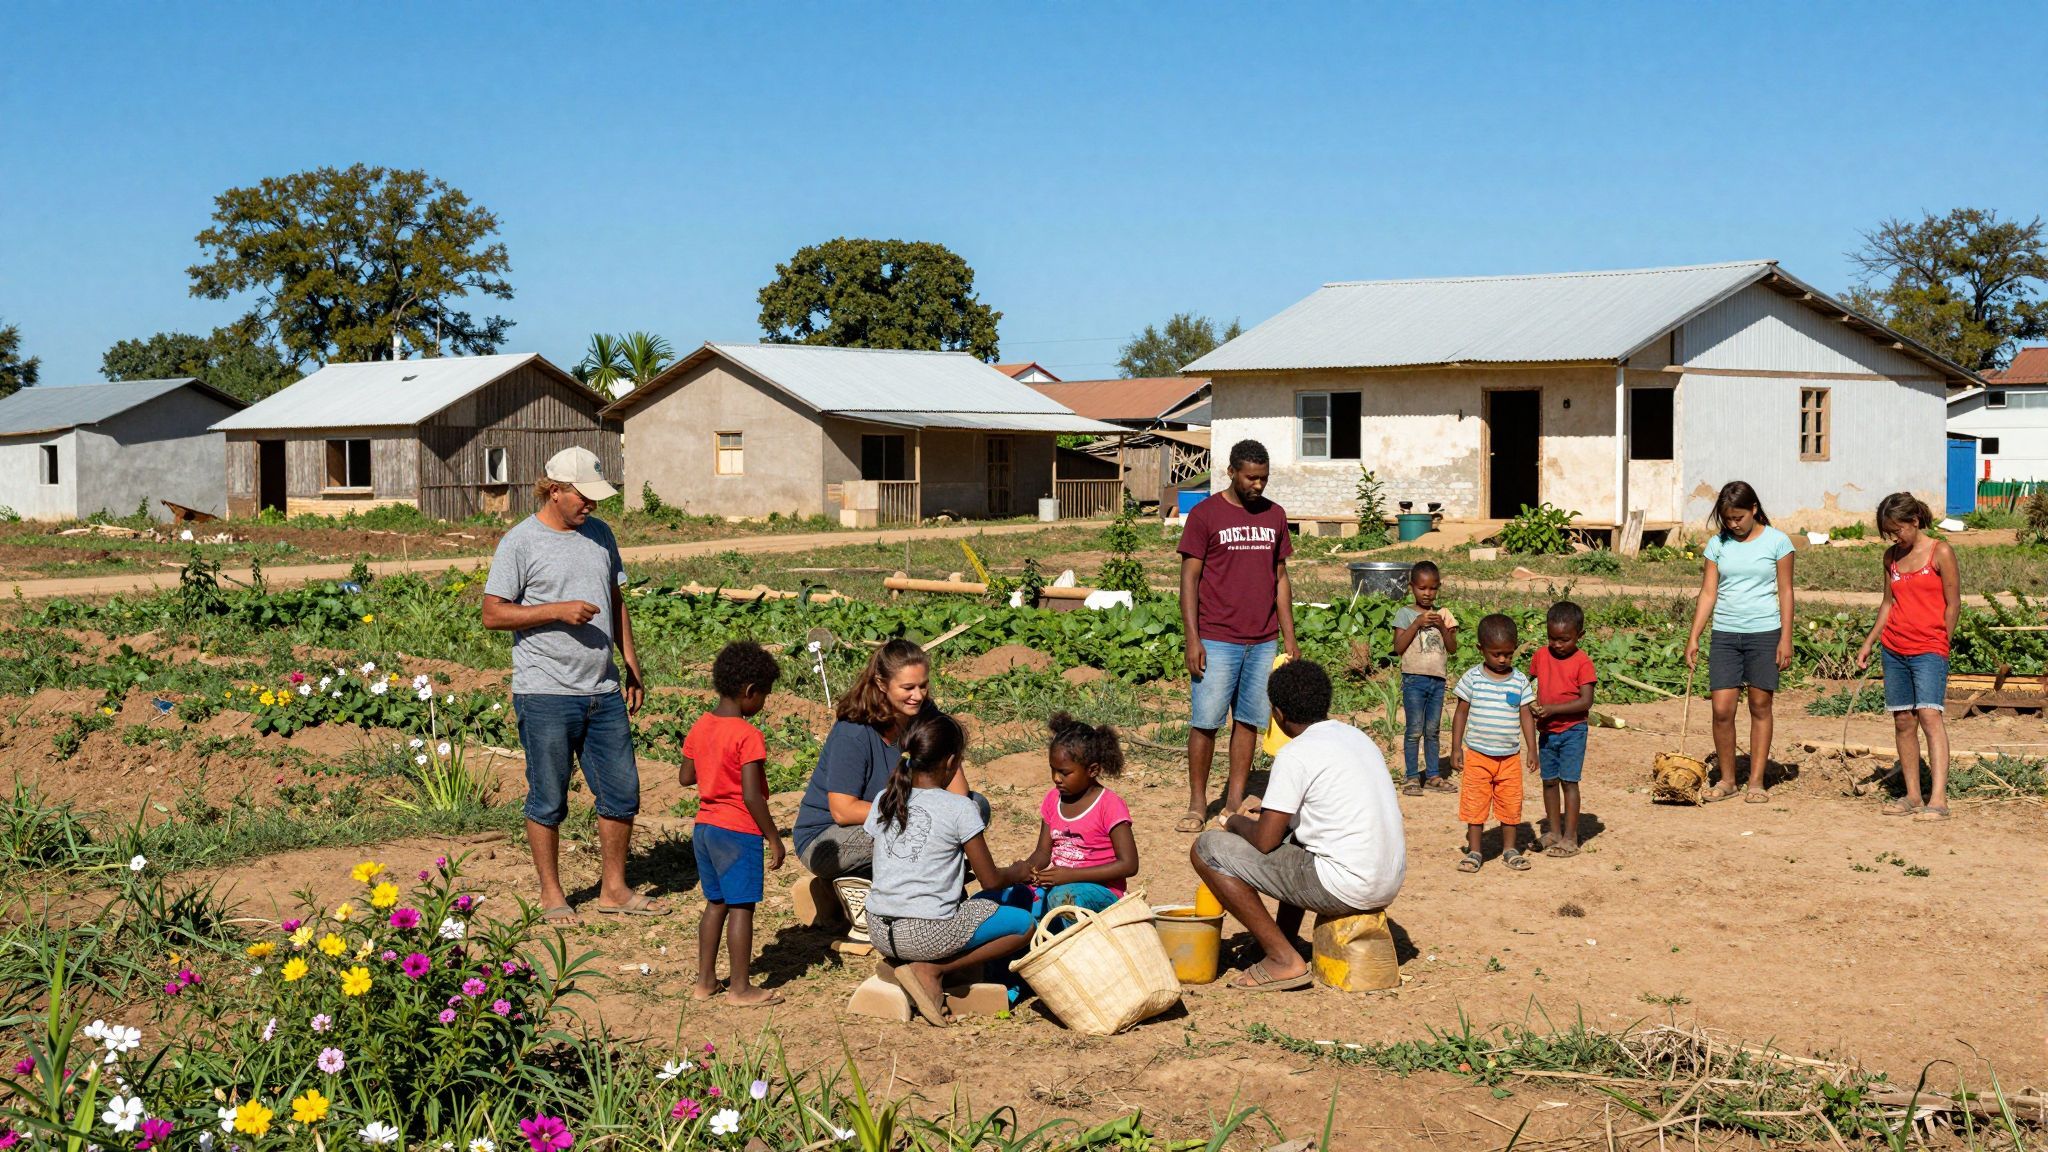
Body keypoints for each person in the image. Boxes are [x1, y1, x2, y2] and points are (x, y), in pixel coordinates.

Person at [482, 446, 659, 919]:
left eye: (595, 499)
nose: (591, 507)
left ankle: (614, 890)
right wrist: (556, 610)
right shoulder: (521, 542)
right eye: (583, 497)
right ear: (554, 490)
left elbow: (616, 601)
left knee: (621, 792)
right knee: (548, 796)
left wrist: (631, 665)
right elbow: (493, 613)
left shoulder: (600, 535)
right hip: (545, 691)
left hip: (602, 690)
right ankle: (551, 893)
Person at [1191, 660, 1405, 992]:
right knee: (1297, 836)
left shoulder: (1296, 754)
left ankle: (1282, 958)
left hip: (1345, 886)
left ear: (1277, 713)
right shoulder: (1356, 737)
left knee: (1206, 850)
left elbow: (1265, 841)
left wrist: (1233, 821)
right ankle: (1285, 939)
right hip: (1387, 882)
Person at [863, 712, 1036, 1026]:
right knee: (1023, 923)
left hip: (878, 928)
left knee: (968, 907)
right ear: (952, 761)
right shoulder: (960, 808)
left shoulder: (884, 798)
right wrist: (1018, 870)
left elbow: (896, 863)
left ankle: (902, 963)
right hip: (925, 933)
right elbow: (991, 880)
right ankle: (932, 970)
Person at [1177, 438, 1301, 832]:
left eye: (1263, 479)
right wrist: (1192, 638)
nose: (1258, 486)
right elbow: (1189, 580)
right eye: (1251, 478)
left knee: (1248, 722)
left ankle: (1234, 801)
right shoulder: (1205, 515)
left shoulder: (1275, 516)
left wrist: (1289, 637)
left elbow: (1280, 577)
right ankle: (1198, 804)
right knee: (1206, 722)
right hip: (1215, 639)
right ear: (1231, 472)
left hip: (1262, 640)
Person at [791, 640, 988, 884]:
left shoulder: (926, 715)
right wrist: (919, 814)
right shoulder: (853, 732)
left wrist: (936, 816)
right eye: (908, 688)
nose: (918, 696)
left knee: (975, 807)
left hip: (899, 814)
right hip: (830, 838)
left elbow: (958, 793)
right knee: (914, 832)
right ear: (881, 684)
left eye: (923, 686)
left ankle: (917, 878)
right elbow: (843, 811)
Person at [678, 641, 785, 1006]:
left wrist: (712, 764)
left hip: (704, 829)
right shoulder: (747, 735)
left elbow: (685, 777)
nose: (764, 703)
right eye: (765, 695)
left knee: (716, 904)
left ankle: (705, 981)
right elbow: (752, 796)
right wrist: (773, 837)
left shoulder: (702, 725)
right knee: (742, 907)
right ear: (749, 691)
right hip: (737, 831)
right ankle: (740, 988)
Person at [1684, 481, 1796, 803]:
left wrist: (1785, 638)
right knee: (1722, 709)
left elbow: (1786, 592)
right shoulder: (1717, 545)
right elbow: (1708, 592)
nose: (1733, 524)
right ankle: (1728, 780)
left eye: (1738, 517)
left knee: (1760, 706)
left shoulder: (1778, 542)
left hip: (1764, 633)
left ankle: (1757, 781)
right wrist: (1694, 636)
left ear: (1754, 510)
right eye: (1727, 519)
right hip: (1725, 635)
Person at [1855, 492, 1960, 821]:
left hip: (1929, 648)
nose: (1894, 538)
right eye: (1889, 533)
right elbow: (1888, 604)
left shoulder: (1939, 552)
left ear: (1915, 522)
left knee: (1930, 717)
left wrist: (1943, 641)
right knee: (1903, 720)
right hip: (1895, 648)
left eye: (1898, 530)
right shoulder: (1891, 558)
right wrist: (1870, 642)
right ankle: (1913, 795)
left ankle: (1938, 798)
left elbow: (1953, 603)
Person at [997, 713, 1139, 926]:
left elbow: (1129, 864)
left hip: (1101, 891)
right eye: (1052, 769)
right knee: (1015, 897)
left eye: (1064, 772)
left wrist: (1070, 876)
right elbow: (1044, 852)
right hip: (1060, 884)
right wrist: (1027, 870)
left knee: (1063, 899)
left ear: (1092, 770)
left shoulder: (1109, 805)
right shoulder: (1053, 799)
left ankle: (1074, 952)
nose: (1056, 778)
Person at [1451, 613, 1537, 873]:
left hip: (1509, 758)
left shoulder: (1520, 680)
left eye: (1508, 654)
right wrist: (1456, 747)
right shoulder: (1472, 678)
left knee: (1510, 804)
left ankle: (1510, 850)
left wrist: (1532, 748)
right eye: (1496, 654)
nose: (1502, 660)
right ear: (1481, 650)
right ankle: (1475, 851)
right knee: (1475, 804)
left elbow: (1526, 715)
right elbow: (1461, 713)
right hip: (1477, 755)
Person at [1528, 601, 1596, 857]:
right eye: (1552, 638)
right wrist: (1531, 703)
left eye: (1564, 640)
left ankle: (1570, 838)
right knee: (1548, 782)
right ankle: (1553, 832)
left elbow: (1585, 701)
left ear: (1580, 636)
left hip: (1572, 731)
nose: (1557, 644)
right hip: (1546, 731)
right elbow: (1529, 685)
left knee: (1569, 782)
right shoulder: (1540, 656)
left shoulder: (1582, 663)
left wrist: (1553, 709)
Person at [1391, 560, 1458, 795]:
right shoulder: (1405, 613)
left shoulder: (1445, 614)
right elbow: (1398, 647)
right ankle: (1411, 777)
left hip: (1437, 681)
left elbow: (1452, 648)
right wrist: (1417, 623)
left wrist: (1441, 627)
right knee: (1413, 729)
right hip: (1414, 680)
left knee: (1433, 730)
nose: (1428, 593)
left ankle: (1433, 776)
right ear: (1412, 587)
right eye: (1422, 588)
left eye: (1433, 588)